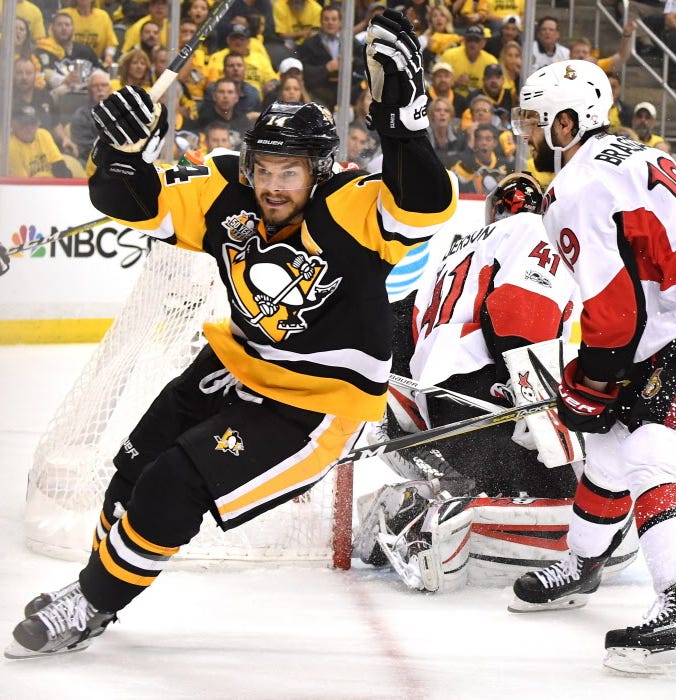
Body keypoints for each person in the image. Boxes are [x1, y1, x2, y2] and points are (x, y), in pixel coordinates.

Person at [5, 8, 455, 660]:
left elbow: (426, 202)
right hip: (236, 362)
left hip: (315, 404)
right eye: (263, 168)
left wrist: (402, 123)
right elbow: (130, 201)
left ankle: (92, 602)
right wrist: (119, 154)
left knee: (172, 482)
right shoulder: (227, 188)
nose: (271, 185)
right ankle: (96, 586)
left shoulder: (355, 205)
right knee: (132, 468)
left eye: (288, 172)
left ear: (320, 170)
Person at [506, 60, 676, 675]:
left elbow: (612, 306)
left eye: (534, 120)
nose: (526, 133)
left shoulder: (577, 185)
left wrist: (592, 380)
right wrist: (599, 386)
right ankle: (583, 564)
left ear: (567, 122)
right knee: (609, 445)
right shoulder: (629, 154)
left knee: (654, 453)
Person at [352, 171, 638, 592]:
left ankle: (411, 508)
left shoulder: (455, 251)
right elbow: (518, 311)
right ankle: (438, 525)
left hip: (438, 406)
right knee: (584, 508)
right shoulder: (536, 231)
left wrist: (403, 416)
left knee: (500, 481)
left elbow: (396, 327)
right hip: (485, 396)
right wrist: (532, 407)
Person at [297, 3, 366, 110]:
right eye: (326, 19)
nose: (330, 22)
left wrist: (352, 61)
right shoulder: (310, 44)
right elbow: (306, 71)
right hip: (321, 92)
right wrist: (326, 68)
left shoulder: (350, 41)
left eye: (334, 19)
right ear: (321, 22)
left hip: (348, 90)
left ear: (340, 22)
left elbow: (365, 61)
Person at [8, 104, 73, 179]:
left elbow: (61, 169)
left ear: (38, 123)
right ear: (13, 124)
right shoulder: (9, 147)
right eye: (23, 123)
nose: (29, 127)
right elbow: (23, 183)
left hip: (50, 184)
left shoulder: (43, 135)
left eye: (33, 122)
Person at [439, 24, 498, 98]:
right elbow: (437, 84)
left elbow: (495, 89)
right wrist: (455, 83)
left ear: (483, 43)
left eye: (476, 40)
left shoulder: (491, 61)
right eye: (469, 39)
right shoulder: (449, 55)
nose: (472, 43)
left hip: (480, 100)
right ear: (464, 41)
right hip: (452, 98)